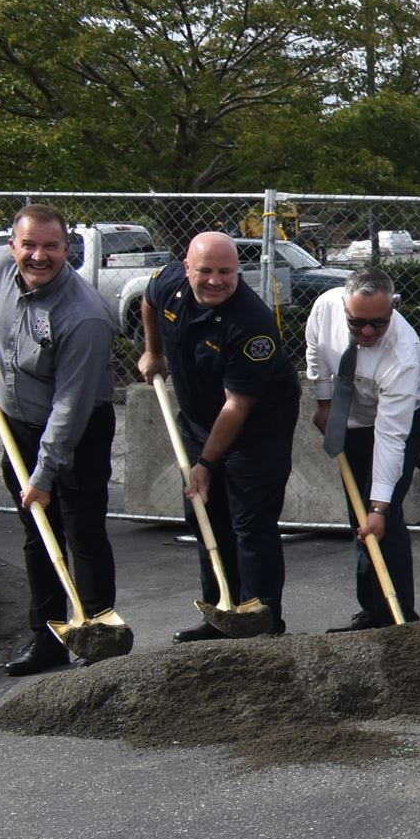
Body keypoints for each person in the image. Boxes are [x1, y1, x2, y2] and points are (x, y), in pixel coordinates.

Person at [0, 205, 119, 674]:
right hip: (18, 427)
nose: (39, 256)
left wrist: (43, 476)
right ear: (13, 247)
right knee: (37, 535)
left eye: (51, 246)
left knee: (80, 531)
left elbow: (69, 410)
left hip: (77, 430)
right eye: (29, 245)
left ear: (68, 250)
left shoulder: (85, 316)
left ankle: (100, 637)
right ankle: (47, 639)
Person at [138, 232, 297, 639]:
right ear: (187, 268)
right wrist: (153, 351)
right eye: (205, 270)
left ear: (237, 271)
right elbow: (149, 299)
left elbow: (237, 407)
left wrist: (206, 464)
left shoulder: (253, 324)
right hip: (198, 420)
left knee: (250, 523)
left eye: (225, 272)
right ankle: (221, 612)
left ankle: (262, 622)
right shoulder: (169, 283)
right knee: (205, 515)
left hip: (257, 430)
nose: (215, 280)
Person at [306, 267, 420, 628]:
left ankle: (398, 616)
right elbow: (315, 348)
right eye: (357, 322)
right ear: (344, 307)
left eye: (378, 323)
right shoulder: (326, 306)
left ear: (392, 307)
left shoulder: (403, 352)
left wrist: (380, 505)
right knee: (358, 517)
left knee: (382, 517)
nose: (366, 332)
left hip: (402, 419)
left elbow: (391, 439)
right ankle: (371, 611)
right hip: (351, 413)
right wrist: (325, 401)